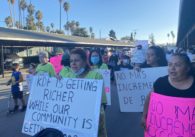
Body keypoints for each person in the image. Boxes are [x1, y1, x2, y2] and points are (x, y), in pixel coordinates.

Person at [60, 48, 107, 137]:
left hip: (92, 121)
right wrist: (56, 81)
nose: (73, 63)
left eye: (77, 60)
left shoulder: (96, 76)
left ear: (85, 62)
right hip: (74, 121)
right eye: (71, 61)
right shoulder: (68, 76)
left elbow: (102, 103)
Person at [141, 53, 195, 129]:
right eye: (170, 64)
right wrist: (144, 115)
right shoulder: (160, 83)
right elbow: (149, 98)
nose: (172, 68)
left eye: (177, 65)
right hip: (164, 129)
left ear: (187, 68)